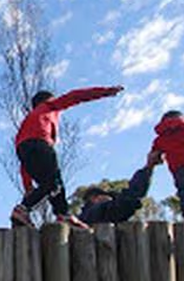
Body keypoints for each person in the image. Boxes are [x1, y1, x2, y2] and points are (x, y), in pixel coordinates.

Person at [9, 85, 124, 227]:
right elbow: (75, 96)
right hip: (40, 144)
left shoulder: (27, 123)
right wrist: (105, 92)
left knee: (52, 184)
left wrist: (28, 187)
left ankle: (62, 214)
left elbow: (24, 162)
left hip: (23, 150)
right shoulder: (49, 106)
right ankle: (25, 208)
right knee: (53, 182)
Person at [78, 149, 163, 225]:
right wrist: (149, 166)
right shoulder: (96, 213)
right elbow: (129, 199)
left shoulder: (86, 217)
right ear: (94, 198)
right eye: (107, 196)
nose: (110, 199)